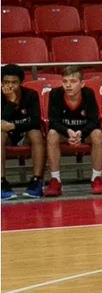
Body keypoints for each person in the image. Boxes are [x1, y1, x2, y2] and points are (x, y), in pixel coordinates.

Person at [43, 66, 102, 196]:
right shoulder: (55, 94)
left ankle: (96, 178)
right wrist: (68, 132)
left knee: (98, 134)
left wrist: (81, 134)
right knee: (52, 134)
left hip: (83, 133)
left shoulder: (88, 94)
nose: (68, 85)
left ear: (82, 83)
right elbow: (53, 122)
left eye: (73, 81)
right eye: (65, 81)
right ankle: (55, 180)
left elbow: (94, 121)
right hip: (65, 133)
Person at [2, 63, 45, 198]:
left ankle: (36, 181)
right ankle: (1, 182)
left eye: (14, 82)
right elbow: (1, 122)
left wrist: (14, 126)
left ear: (20, 83)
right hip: (7, 137)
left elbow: (35, 122)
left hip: (24, 135)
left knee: (36, 133)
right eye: (6, 82)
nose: (10, 86)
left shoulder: (31, 95)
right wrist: (11, 102)